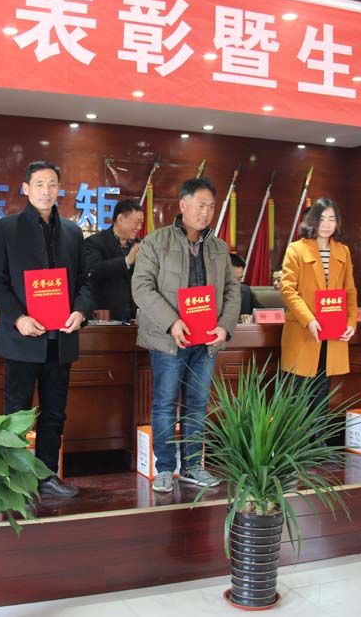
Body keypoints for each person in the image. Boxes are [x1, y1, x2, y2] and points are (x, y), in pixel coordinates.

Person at [0, 161, 93, 498]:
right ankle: (13, 480)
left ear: (59, 188)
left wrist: (80, 311)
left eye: (52, 184)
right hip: (22, 338)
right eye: (39, 184)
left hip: (61, 338)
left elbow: (85, 281)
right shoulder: (6, 229)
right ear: (25, 188)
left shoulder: (73, 232)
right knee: (16, 413)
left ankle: (46, 476)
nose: (46, 191)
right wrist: (18, 317)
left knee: (55, 412)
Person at [132, 177, 240, 493]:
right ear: (183, 205)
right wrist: (171, 322)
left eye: (211, 207)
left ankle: (193, 466)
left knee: (197, 404)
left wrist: (226, 326)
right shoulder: (156, 241)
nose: (206, 213)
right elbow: (141, 287)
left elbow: (232, 290)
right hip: (170, 339)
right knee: (165, 404)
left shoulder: (219, 247)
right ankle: (165, 468)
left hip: (206, 341)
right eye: (200, 205)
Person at [279, 198, 358, 428]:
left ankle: (318, 441)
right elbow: (288, 290)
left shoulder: (343, 251)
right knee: (298, 392)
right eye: (322, 218)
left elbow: (350, 290)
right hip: (304, 331)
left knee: (322, 391)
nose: (326, 224)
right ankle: (298, 442)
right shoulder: (296, 249)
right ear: (312, 220)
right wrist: (309, 319)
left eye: (332, 219)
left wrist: (351, 322)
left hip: (332, 333)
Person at [85, 199, 144, 322]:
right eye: (136, 222)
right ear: (121, 219)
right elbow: (94, 270)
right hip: (106, 315)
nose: (139, 227)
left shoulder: (140, 245)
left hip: (135, 316)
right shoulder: (95, 242)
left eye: (141, 223)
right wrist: (127, 261)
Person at [229, 252, 262, 318]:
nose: (237, 283)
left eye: (240, 278)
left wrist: (252, 317)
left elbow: (263, 313)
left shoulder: (245, 291)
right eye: (234, 279)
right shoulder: (209, 294)